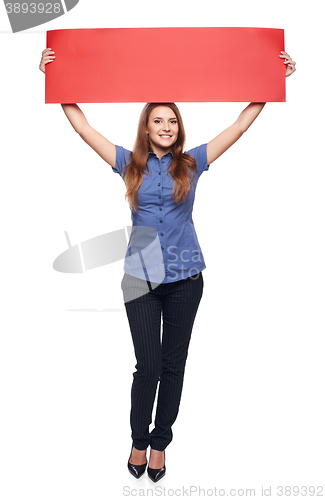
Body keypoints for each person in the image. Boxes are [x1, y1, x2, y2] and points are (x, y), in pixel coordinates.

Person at [39, 48, 296, 482]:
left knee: (175, 365)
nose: (165, 126)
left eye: (171, 120)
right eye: (157, 120)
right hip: (139, 279)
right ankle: (138, 438)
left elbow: (237, 126)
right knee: (149, 366)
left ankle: (160, 444)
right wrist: (54, 76)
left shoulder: (192, 163)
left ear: (179, 129)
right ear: (146, 127)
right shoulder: (128, 163)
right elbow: (84, 127)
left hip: (185, 279)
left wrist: (272, 82)